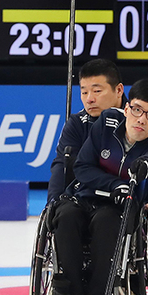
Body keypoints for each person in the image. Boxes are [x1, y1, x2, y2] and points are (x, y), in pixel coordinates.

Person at [52, 78, 148, 295]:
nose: (142, 119)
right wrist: (114, 184)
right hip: (85, 195)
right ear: (127, 108)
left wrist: (147, 171)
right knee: (65, 216)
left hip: (120, 207)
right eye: (137, 110)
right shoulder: (107, 123)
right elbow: (82, 166)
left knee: (108, 222)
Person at [47, 58, 126, 203]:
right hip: (84, 197)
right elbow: (62, 167)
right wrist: (53, 202)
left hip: (123, 197)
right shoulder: (76, 123)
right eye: (84, 92)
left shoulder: (140, 121)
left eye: (97, 91)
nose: (89, 99)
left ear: (119, 90)